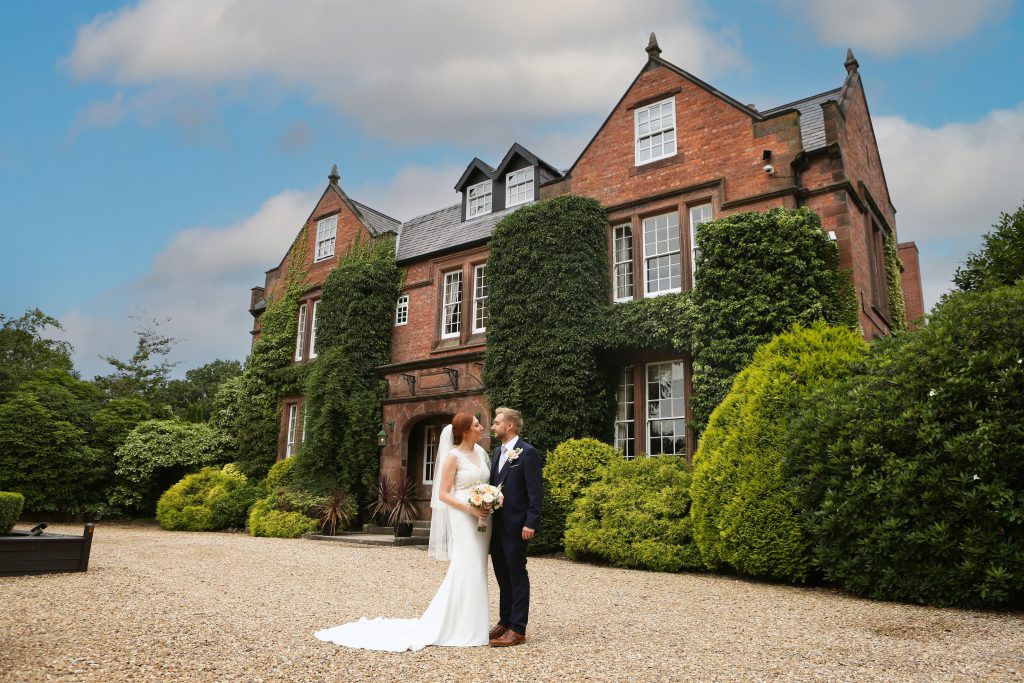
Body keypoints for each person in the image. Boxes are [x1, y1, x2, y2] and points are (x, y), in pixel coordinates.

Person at [314, 413, 492, 651]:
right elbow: (443, 494)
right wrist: (470, 508)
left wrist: (489, 501)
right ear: (464, 430)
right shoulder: (453, 456)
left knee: (478, 565)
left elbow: (486, 485)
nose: (482, 426)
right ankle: (458, 626)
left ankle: (475, 623)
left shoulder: (481, 453)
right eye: (476, 424)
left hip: (483, 516)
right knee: (466, 564)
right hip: (463, 514)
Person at [487, 407, 543, 647]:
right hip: (496, 526)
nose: (493, 426)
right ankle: (505, 620)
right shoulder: (498, 452)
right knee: (502, 574)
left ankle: (518, 629)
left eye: (497, 422)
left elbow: (535, 492)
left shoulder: (528, 453)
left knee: (517, 575)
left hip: (517, 525)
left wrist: (531, 522)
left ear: (509, 426)